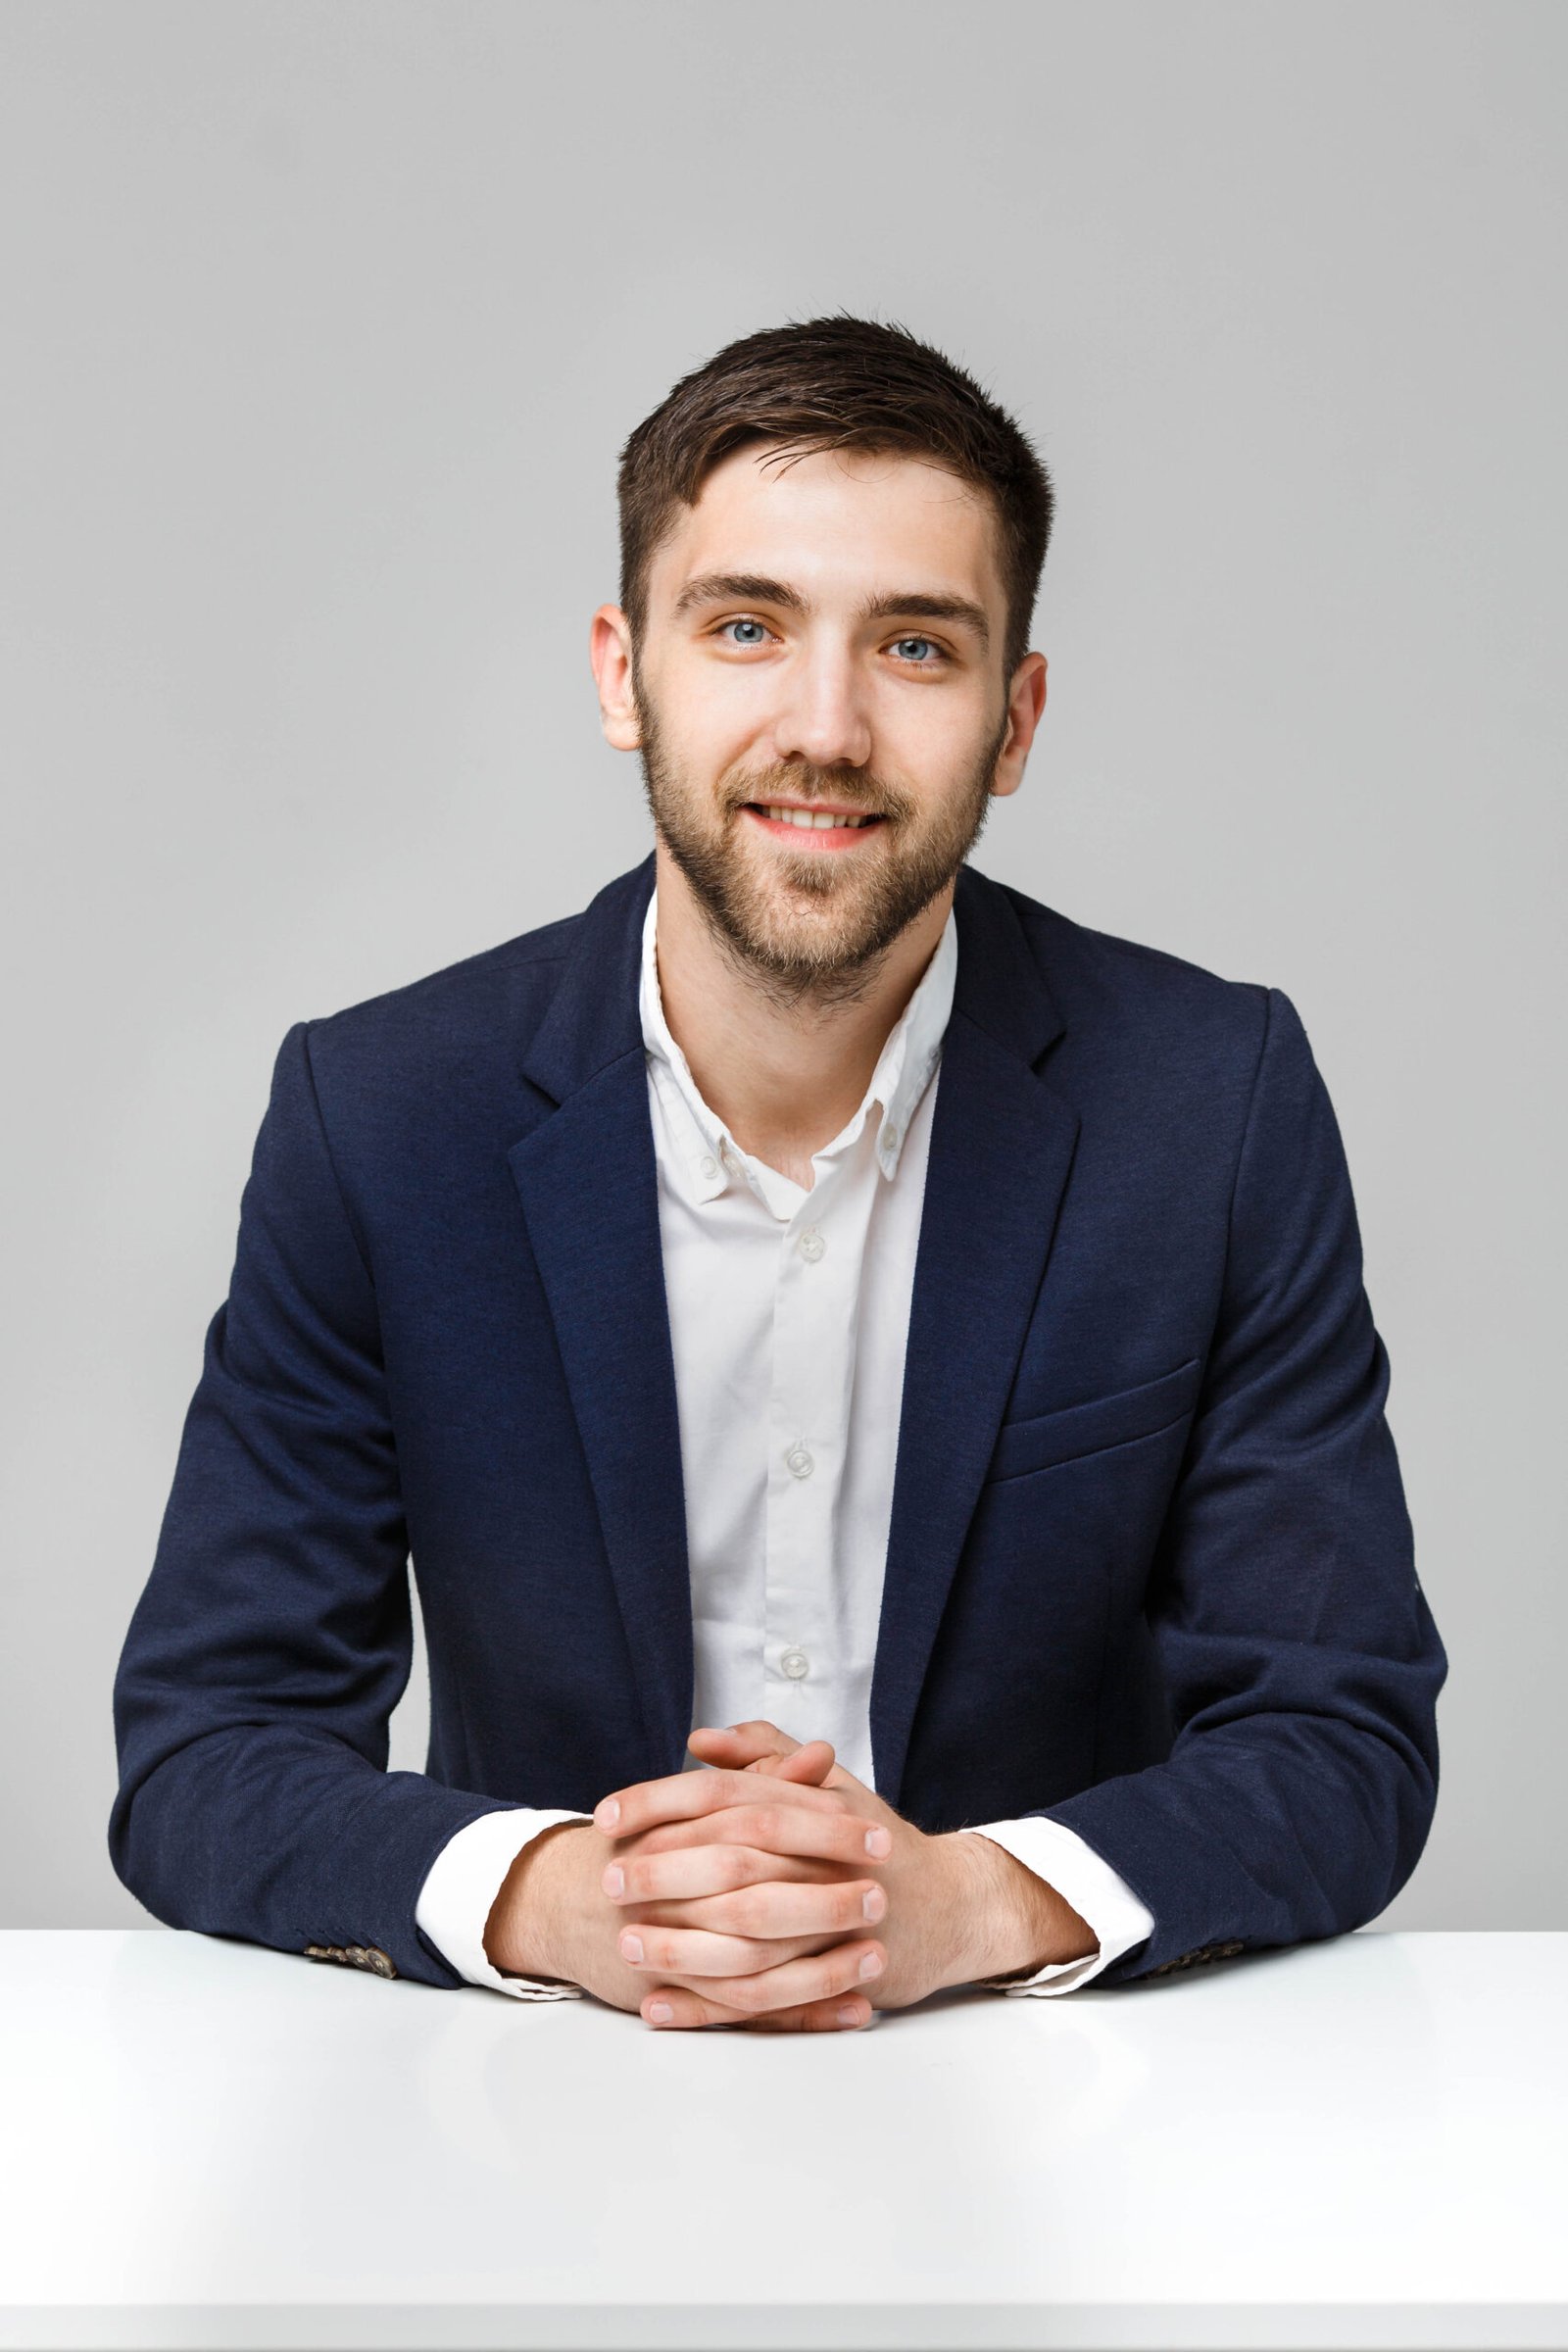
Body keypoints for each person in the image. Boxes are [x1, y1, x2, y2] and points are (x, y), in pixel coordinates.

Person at [109, 313, 1448, 2034]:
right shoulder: (381, 1114)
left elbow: (1340, 1736)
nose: (826, 726)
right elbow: (209, 1747)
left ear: (1015, 716)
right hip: (538, 2119)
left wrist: (975, 1898)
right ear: (623, 672)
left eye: (915, 646)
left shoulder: (1210, 1102)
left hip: (1062, 2115)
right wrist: (564, 1898)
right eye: (746, 626)